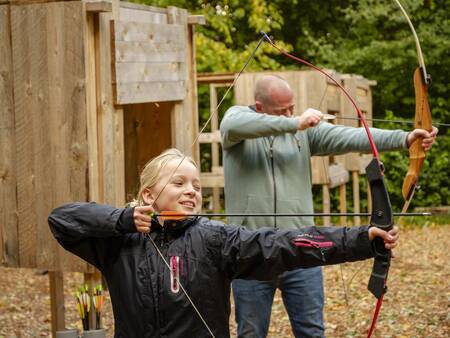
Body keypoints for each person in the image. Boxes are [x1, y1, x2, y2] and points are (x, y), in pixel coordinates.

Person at [48, 148, 399, 338]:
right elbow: (62, 220)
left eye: (196, 186)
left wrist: (360, 240)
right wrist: (122, 220)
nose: (191, 191)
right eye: (179, 183)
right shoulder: (120, 243)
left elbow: (285, 244)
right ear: (148, 194)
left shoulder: (214, 238)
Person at [220, 75, 437, 338]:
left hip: (302, 249)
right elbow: (235, 124)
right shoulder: (237, 122)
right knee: (251, 333)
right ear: (259, 106)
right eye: (282, 110)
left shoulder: (303, 134)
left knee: (311, 332)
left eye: (292, 108)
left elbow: (352, 136)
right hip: (251, 252)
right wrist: (294, 122)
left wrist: (405, 139)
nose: (290, 113)